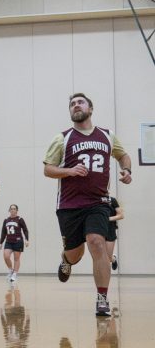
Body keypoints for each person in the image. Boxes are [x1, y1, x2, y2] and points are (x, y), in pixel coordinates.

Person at [43, 93, 132, 317]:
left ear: (90, 108)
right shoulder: (62, 138)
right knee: (75, 254)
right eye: (72, 104)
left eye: (80, 102)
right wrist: (69, 171)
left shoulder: (107, 135)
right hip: (69, 205)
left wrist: (127, 170)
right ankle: (66, 259)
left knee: (97, 242)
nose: (75, 106)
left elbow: (124, 156)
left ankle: (102, 297)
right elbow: (48, 169)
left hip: (98, 202)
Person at [0, 204, 29, 282]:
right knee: (6, 256)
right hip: (8, 241)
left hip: (18, 241)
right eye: (11, 209)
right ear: (9, 210)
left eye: (14, 209)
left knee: (16, 258)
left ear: (16, 210)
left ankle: (15, 274)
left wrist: (27, 239)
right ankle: (11, 270)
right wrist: (1, 242)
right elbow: (3, 232)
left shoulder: (20, 219)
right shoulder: (6, 220)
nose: (12, 210)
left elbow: (25, 230)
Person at [106, 197, 123, 271]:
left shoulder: (112, 200)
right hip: (99, 230)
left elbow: (121, 215)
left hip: (110, 230)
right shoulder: (94, 200)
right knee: (102, 257)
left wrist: (108, 219)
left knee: (108, 257)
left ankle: (113, 259)